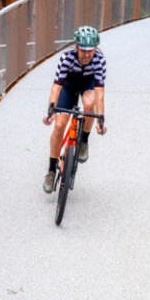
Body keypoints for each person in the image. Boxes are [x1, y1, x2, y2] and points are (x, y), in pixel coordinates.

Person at [42, 25, 108, 193]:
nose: (87, 55)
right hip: (68, 86)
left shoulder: (99, 60)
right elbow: (56, 88)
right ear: (76, 47)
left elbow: (99, 93)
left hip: (88, 84)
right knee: (58, 126)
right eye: (83, 50)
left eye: (90, 51)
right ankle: (51, 170)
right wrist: (50, 110)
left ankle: (84, 141)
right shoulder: (67, 58)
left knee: (89, 104)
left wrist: (101, 119)